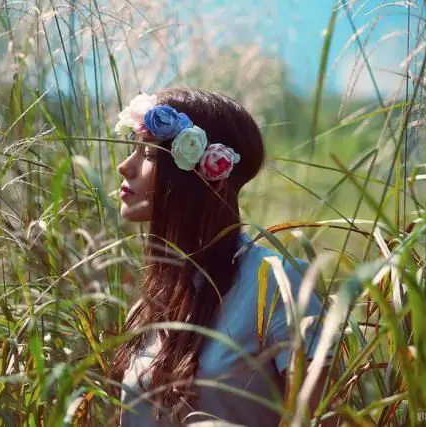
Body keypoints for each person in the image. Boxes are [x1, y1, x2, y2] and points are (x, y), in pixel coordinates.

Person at [110, 88, 331, 426]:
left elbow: (320, 418)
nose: (125, 167)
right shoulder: (152, 300)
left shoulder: (277, 283)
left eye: (150, 153)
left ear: (206, 172)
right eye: (134, 150)